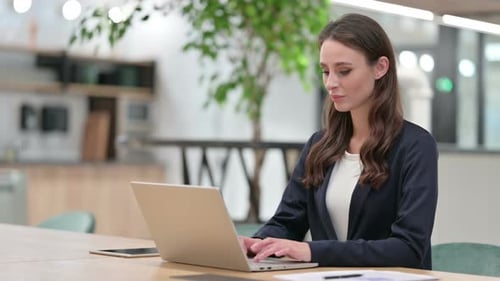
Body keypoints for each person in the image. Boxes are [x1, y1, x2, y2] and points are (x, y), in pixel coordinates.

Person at [239, 13, 438, 269]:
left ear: (380, 68)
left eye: (344, 71)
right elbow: (288, 222)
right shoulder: (319, 146)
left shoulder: (416, 146)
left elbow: (408, 248)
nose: (331, 83)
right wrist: (257, 244)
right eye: (325, 71)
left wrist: (312, 251)